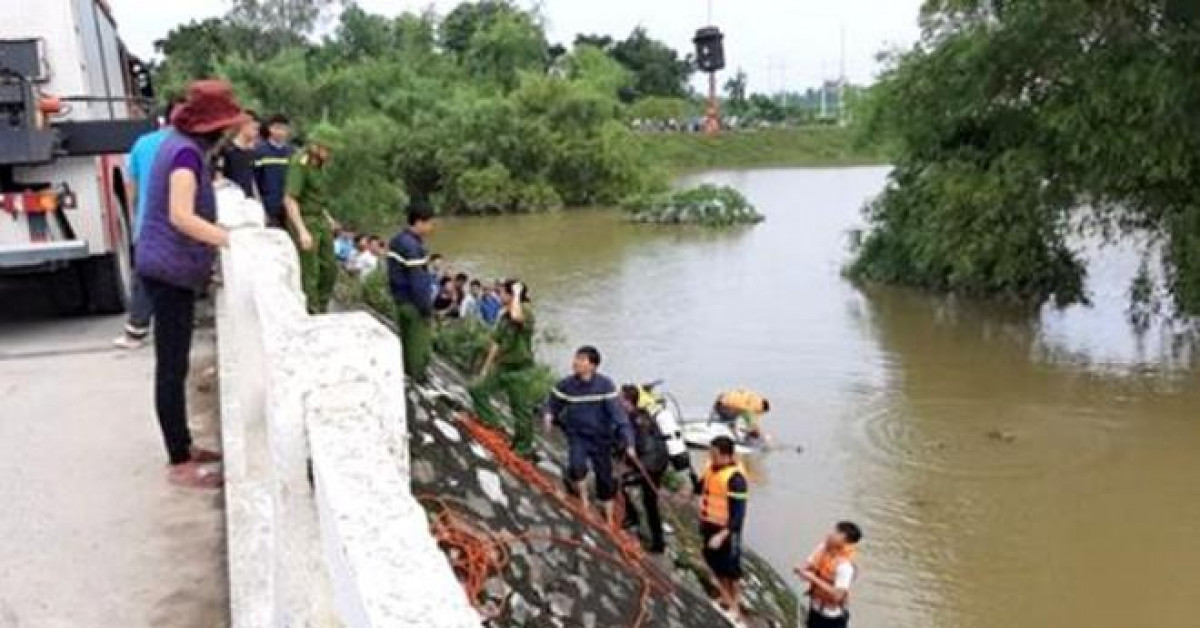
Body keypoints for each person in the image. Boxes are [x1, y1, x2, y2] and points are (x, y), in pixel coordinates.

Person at [135, 80, 243, 489]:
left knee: (174, 364)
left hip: (167, 265)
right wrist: (230, 238)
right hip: (168, 270)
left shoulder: (180, 144)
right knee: (171, 366)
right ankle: (178, 460)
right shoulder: (184, 154)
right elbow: (180, 215)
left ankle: (182, 443)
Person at [113, 97, 184, 350]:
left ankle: (137, 330)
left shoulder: (143, 144)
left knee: (146, 276)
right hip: (183, 223)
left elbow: (131, 186)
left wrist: (134, 218)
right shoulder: (189, 146)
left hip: (150, 223)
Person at [545, 346, 635, 525]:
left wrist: (629, 443)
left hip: (601, 438)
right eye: (576, 358)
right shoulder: (567, 385)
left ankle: (609, 519)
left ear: (593, 366)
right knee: (577, 466)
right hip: (578, 435)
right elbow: (553, 402)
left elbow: (619, 416)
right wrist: (548, 414)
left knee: (605, 478)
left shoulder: (605, 386)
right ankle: (584, 503)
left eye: (581, 359)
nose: (575, 362)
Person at [470, 281, 543, 458]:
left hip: (520, 370)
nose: (498, 296)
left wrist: (517, 293)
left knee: (521, 410)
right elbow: (496, 343)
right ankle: (493, 422)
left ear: (512, 296)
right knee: (477, 389)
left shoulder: (524, 311)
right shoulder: (503, 317)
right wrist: (485, 368)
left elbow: (517, 317)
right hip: (502, 366)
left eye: (502, 293)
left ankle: (523, 447)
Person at [284, 123, 340, 314]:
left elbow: (316, 196)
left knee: (330, 268)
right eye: (327, 149)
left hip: (320, 219)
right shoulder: (300, 163)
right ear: (315, 146)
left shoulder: (321, 165)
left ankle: (322, 306)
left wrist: (328, 217)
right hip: (305, 220)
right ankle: (312, 311)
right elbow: (290, 199)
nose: (330, 153)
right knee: (310, 271)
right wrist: (302, 231)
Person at [699, 435, 749, 624]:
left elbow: (738, 513)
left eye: (714, 453)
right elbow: (701, 487)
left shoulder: (736, 479)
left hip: (727, 531)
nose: (710, 456)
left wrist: (723, 534)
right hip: (709, 525)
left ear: (726, 455)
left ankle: (735, 606)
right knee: (715, 563)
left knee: (732, 570)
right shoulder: (711, 469)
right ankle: (723, 596)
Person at [618, 385, 672, 553]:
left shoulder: (634, 420)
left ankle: (633, 518)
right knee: (650, 501)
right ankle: (658, 541)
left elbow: (638, 444)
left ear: (627, 402)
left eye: (620, 398)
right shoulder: (643, 415)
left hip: (649, 465)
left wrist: (630, 459)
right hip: (660, 462)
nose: (618, 401)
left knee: (624, 483)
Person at [387, 202, 436, 382]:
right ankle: (418, 382)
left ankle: (408, 377)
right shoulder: (414, 248)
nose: (431, 228)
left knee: (406, 344)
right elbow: (419, 283)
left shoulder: (396, 241)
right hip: (414, 305)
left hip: (400, 301)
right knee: (418, 347)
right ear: (419, 222)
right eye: (430, 223)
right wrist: (426, 308)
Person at [629, 382, 700, 492]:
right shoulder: (662, 410)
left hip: (668, 450)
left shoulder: (646, 408)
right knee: (685, 469)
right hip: (678, 447)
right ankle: (694, 484)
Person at [795, 521, 863, 628]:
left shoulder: (845, 566)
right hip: (814, 609)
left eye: (837, 533)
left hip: (831, 618)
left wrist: (812, 578)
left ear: (846, 541)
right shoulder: (823, 548)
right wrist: (802, 571)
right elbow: (808, 565)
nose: (831, 534)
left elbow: (838, 595)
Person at [253, 113, 293, 229]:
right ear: (270, 128)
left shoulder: (292, 153)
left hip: (287, 208)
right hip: (267, 206)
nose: (280, 132)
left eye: (283, 128)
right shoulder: (259, 151)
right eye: (277, 128)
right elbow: (254, 181)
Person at [217, 110, 260, 199]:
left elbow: (252, 179)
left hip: (248, 201)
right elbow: (219, 176)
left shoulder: (252, 153)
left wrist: (257, 199)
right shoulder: (226, 149)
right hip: (230, 199)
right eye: (254, 128)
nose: (257, 133)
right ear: (244, 126)